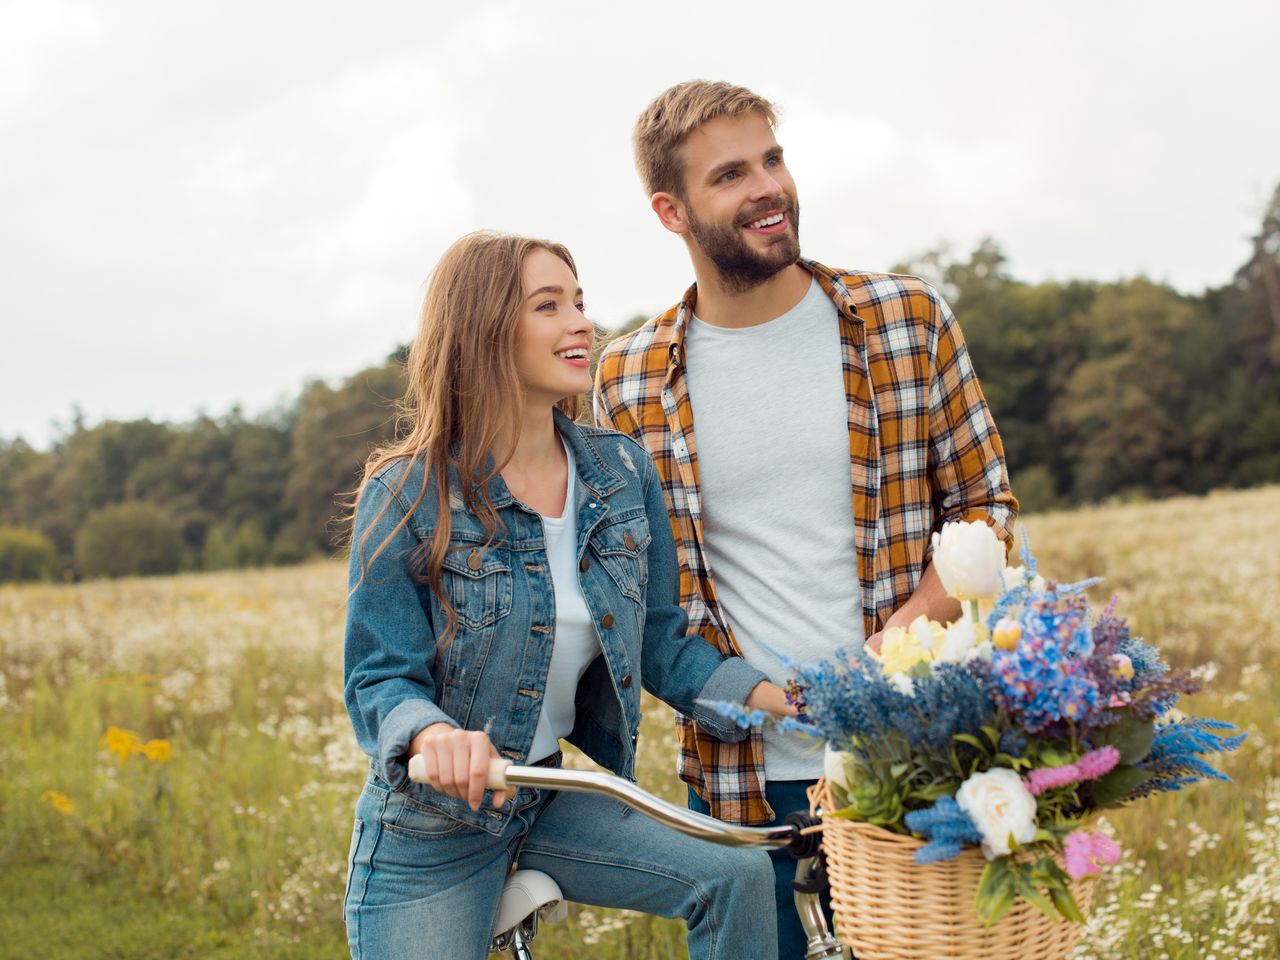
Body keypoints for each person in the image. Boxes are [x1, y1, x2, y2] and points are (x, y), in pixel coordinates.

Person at [594, 80, 1019, 958]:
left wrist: (892, 650)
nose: (768, 188)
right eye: (731, 175)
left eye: (773, 159)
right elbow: (632, 600)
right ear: (671, 211)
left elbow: (986, 511)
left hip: (923, 755)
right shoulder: (627, 379)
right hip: (744, 779)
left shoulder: (906, 318)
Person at [342, 230, 788, 959]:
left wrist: (791, 701)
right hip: (431, 831)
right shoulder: (408, 492)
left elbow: (662, 645)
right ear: (484, 331)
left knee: (734, 876)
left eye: (579, 302)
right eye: (548, 306)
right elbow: (380, 676)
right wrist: (435, 737)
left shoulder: (619, 472)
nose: (581, 322)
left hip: (546, 799)